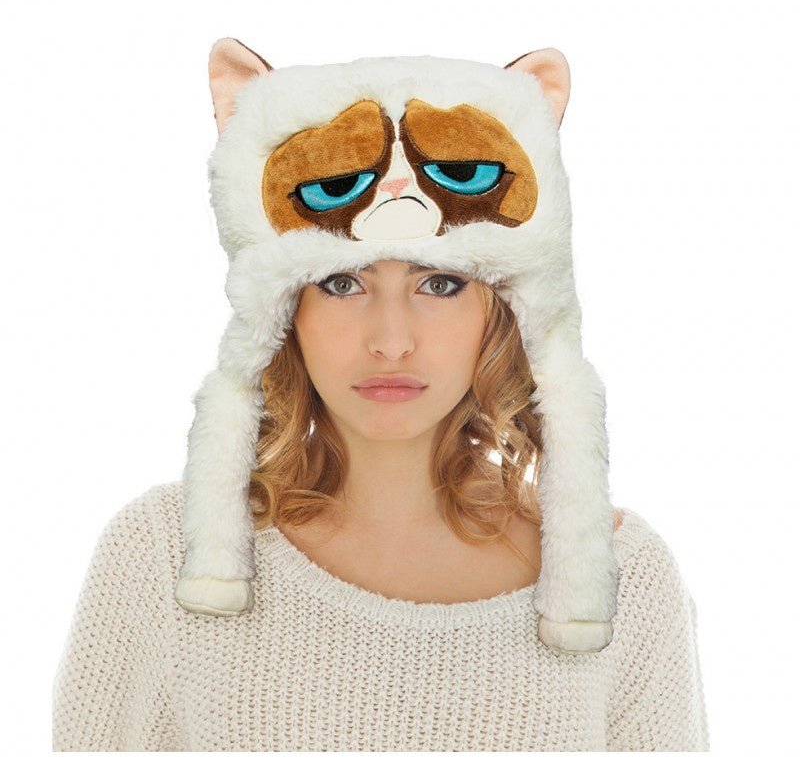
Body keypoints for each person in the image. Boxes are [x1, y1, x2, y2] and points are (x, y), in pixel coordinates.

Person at [52, 258, 710, 751]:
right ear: (284, 306)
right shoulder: (168, 555)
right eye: (342, 282)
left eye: (440, 283)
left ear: (501, 306)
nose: (391, 340)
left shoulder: (618, 578)